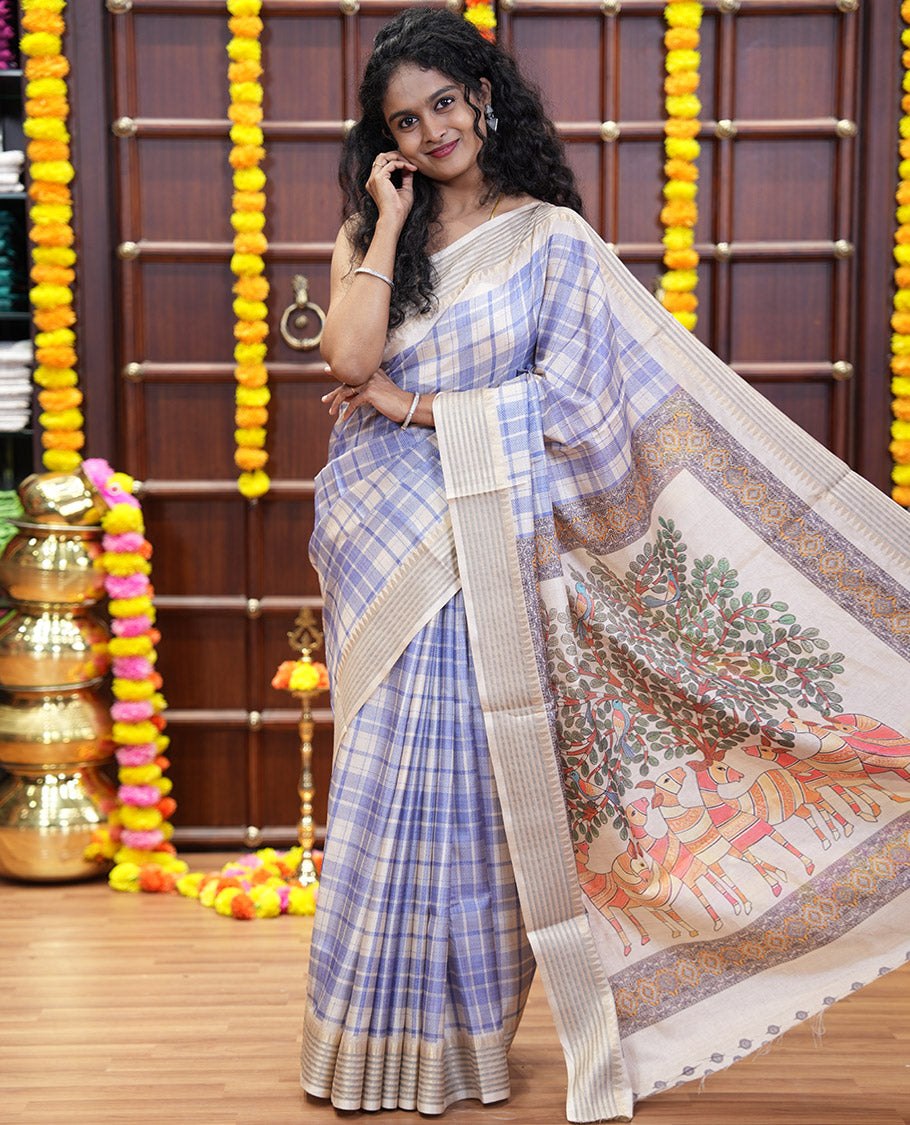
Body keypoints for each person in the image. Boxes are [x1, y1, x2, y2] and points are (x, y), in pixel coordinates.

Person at [301, 9, 910, 1123]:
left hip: (483, 545)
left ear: (485, 98)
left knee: (468, 805)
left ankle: (454, 1054)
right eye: (404, 120)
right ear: (383, 141)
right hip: (387, 552)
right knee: (386, 789)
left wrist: (415, 404)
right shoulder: (370, 233)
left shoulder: (551, 241)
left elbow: (580, 406)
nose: (433, 131)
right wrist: (385, 227)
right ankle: (362, 1048)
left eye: (446, 102)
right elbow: (344, 356)